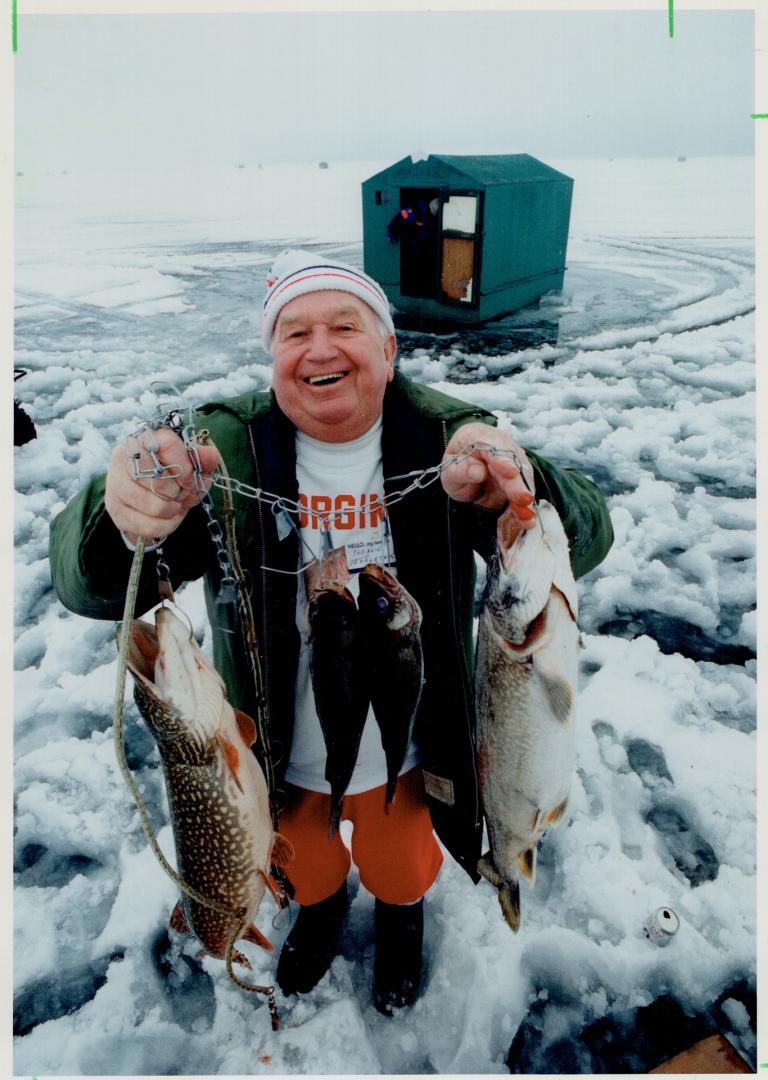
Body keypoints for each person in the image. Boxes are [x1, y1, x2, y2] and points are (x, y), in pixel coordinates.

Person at [49, 249, 613, 1016]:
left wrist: (522, 483)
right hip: (280, 758)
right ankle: (320, 913)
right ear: (272, 356)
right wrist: (120, 507)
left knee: (403, 864)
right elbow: (94, 585)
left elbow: (586, 534)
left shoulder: (451, 438)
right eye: (294, 332)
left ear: (388, 349)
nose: (320, 348)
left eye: (345, 325)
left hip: (409, 751)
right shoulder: (222, 453)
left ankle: (401, 917)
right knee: (305, 869)